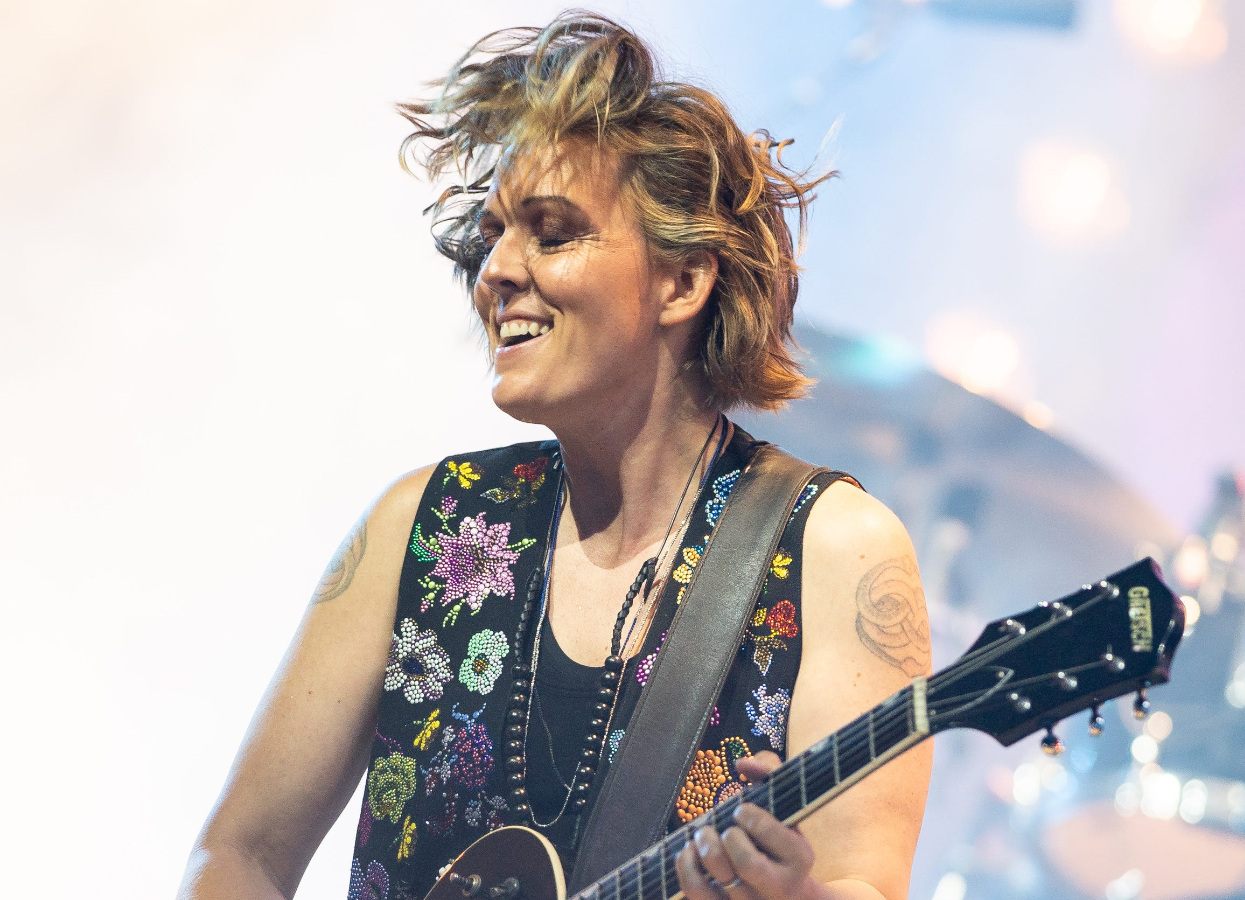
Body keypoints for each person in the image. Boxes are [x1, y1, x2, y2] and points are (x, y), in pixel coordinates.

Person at [178, 12, 932, 900]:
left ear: (682, 281)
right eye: (494, 231)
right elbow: (240, 855)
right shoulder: (427, 524)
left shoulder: (834, 552)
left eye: (551, 230)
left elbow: (860, 886)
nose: (493, 268)